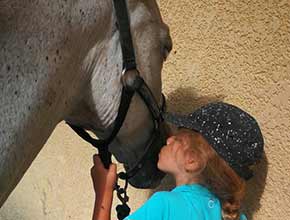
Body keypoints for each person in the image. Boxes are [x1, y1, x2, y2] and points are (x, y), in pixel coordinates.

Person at [90, 102, 264, 220]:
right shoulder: (236, 217)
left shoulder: (165, 205)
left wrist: (104, 191)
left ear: (191, 160)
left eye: (177, 139)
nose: (168, 140)